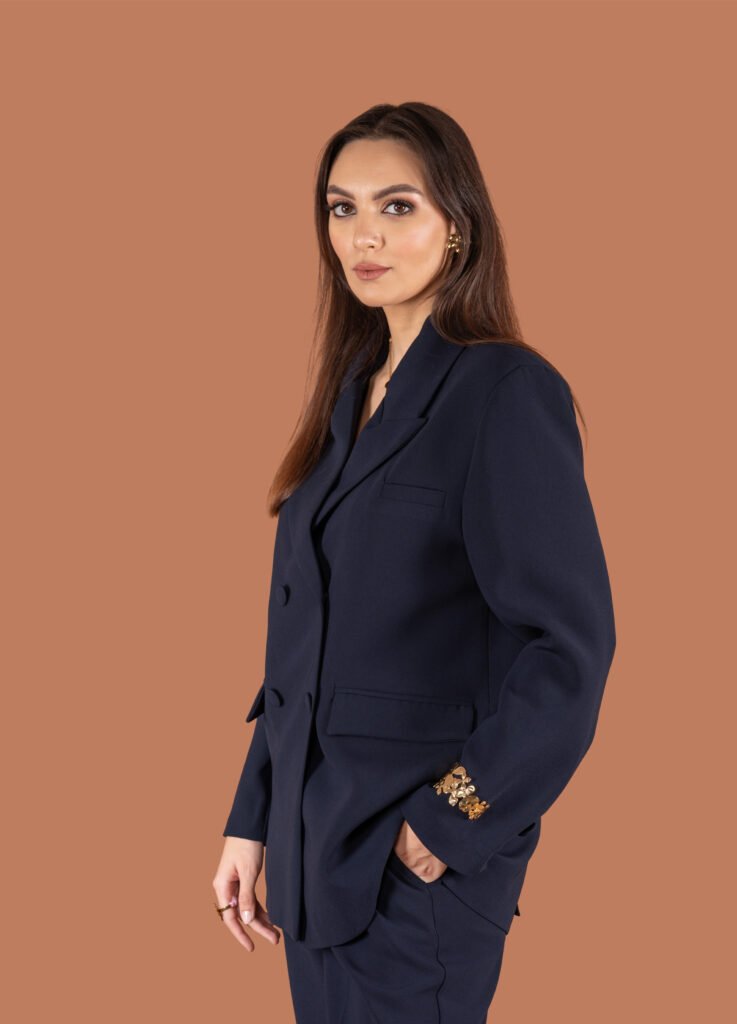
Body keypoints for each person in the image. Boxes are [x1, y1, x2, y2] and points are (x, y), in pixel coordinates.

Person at [212, 101, 616, 1022]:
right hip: (311, 857)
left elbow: (569, 649)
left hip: (413, 869)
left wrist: (450, 817)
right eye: (341, 207)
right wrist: (251, 817)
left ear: (457, 225)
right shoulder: (352, 397)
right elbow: (304, 647)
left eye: (397, 206)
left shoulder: (503, 391)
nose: (364, 235)